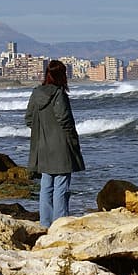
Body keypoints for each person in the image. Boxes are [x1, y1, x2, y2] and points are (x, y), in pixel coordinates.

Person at [25, 60, 85, 227]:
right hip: (61, 146)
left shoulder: (36, 93)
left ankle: (45, 224)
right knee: (61, 187)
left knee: (46, 186)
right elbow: (65, 120)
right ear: (61, 75)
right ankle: (60, 224)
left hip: (42, 146)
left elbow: (29, 119)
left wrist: (43, 132)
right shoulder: (59, 94)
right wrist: (73, 140)